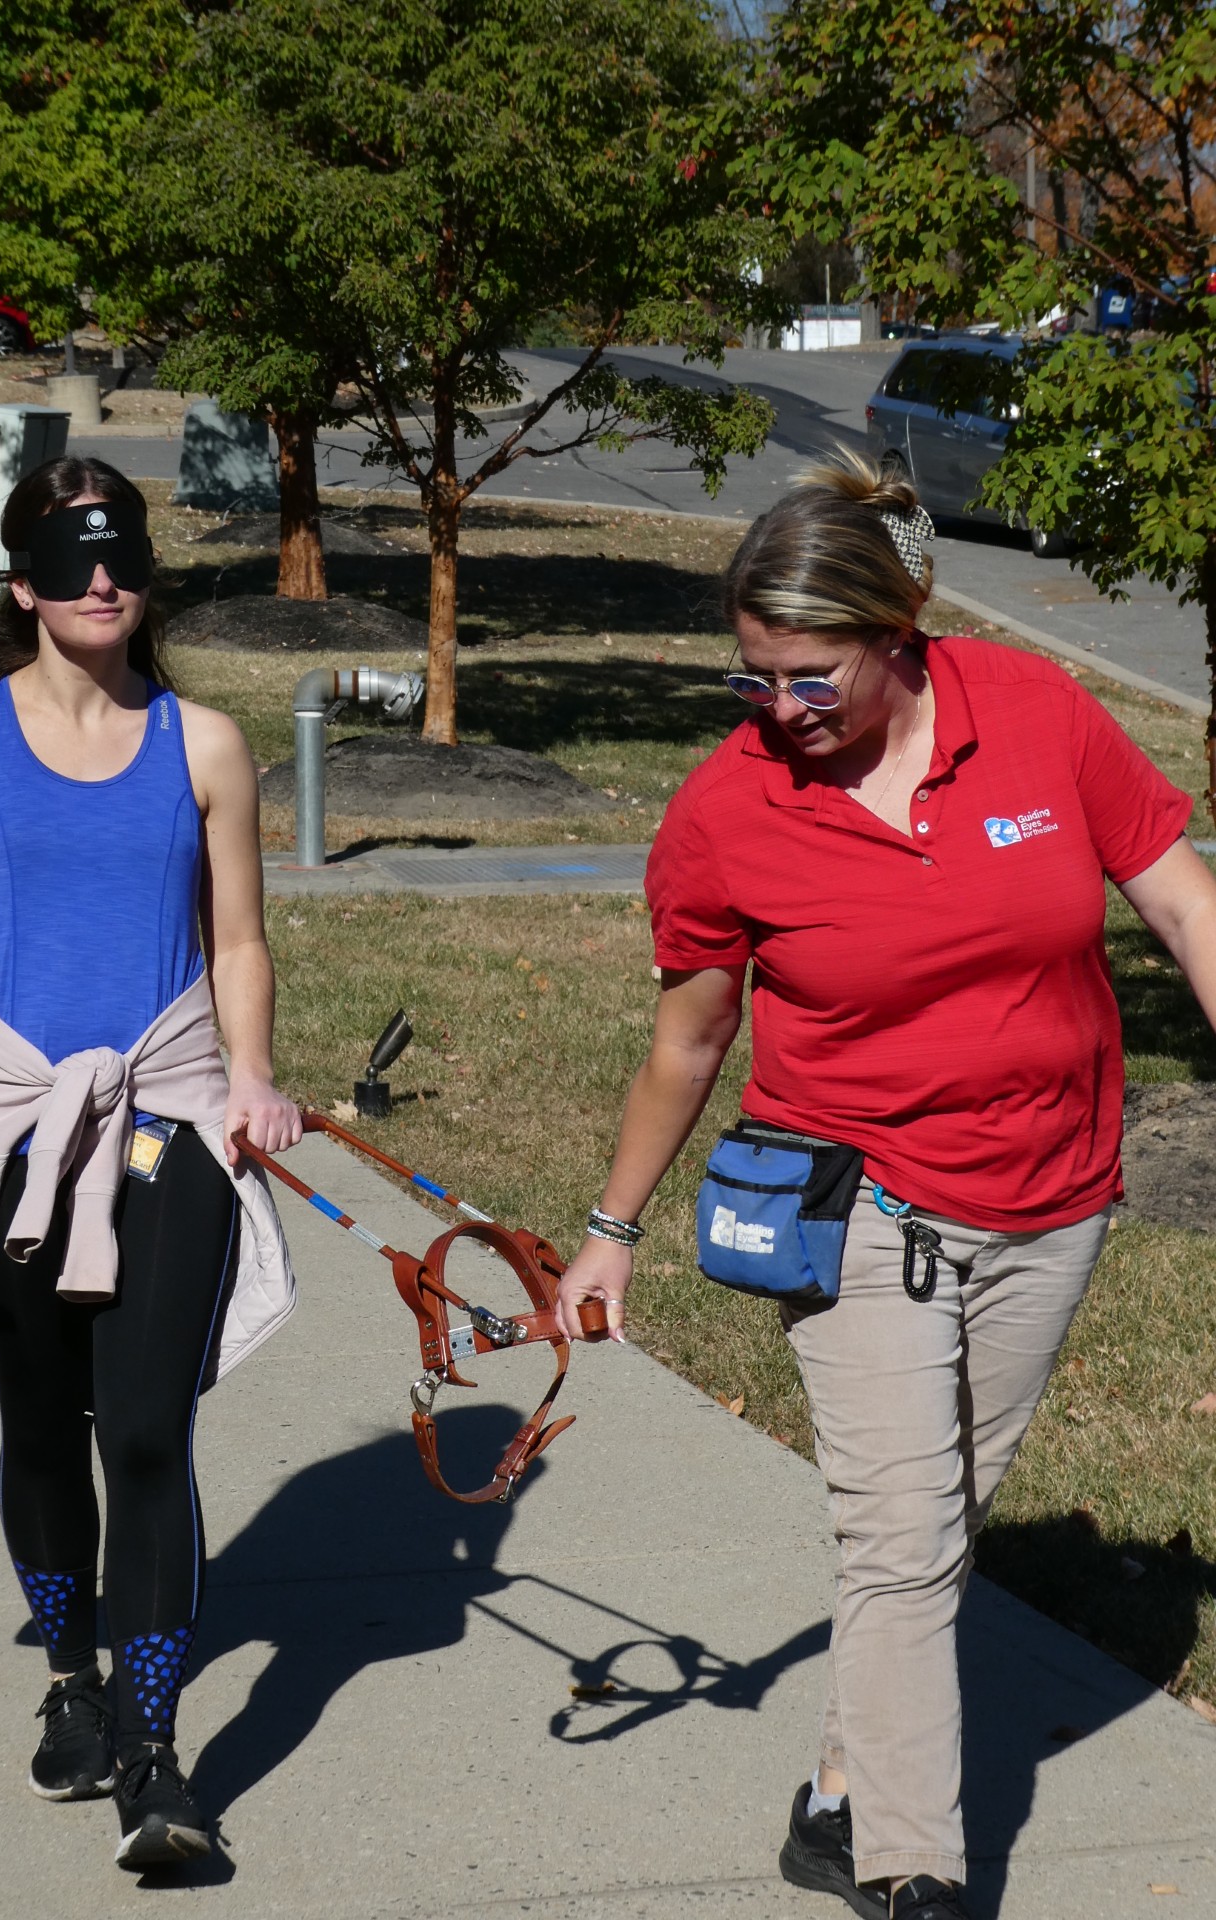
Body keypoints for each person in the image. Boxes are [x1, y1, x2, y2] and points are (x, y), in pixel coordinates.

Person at [555, 452, 1216, 1920]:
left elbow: (1181, 897)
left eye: (807, 675)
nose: (777, 708)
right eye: (753, 676)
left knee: (941, 1522)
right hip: (863, 1207)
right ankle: (916, 1873)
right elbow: (688, 1038)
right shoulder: (729, 811)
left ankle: (838, 1794)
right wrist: (613, 1231)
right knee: (905, 1539)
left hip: (1056, 1193)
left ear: (895, 632)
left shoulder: (1035, 715)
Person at [0, 456, 300, 1871]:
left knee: (147, 1428)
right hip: (9, 1123)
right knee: (43, 1430)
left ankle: (158, 1759)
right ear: (22, 581)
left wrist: (256, 1076)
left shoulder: (206, 745)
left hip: (171, 1114)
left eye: (127, 556)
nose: (107, 579)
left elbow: (237, 943)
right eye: (74, 557)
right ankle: (72, 1681)